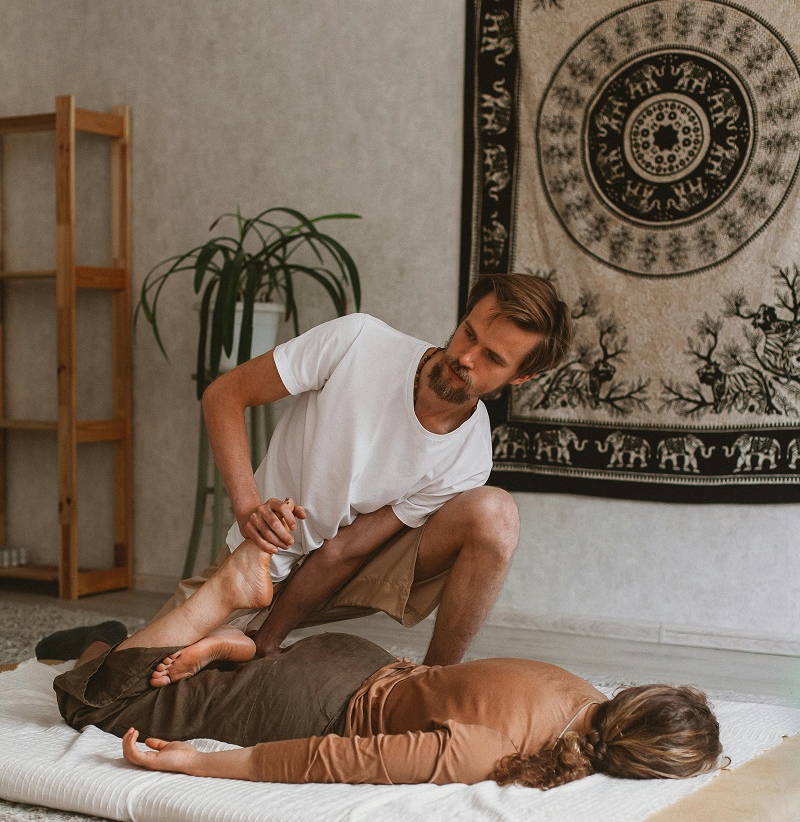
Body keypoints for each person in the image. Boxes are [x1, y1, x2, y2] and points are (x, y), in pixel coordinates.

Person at [51, 538, 725, 789]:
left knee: (127, 673)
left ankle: (201, 647)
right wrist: (200, 765)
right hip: (315, 702)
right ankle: (223, 607)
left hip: (360, 656)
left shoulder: (576, 688)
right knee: (93, 705)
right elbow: (337, 760)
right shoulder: (494, 750)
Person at [154, 273, 573, 666]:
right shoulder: (357, 340)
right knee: (133, 671)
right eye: (469, 332)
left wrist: (269, 642)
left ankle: (434, 683)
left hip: (341, 576)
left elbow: (346, 549)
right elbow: (224, 395)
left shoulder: (470, 457)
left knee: (496, 514)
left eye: (492, 357)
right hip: (258, 559)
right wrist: (249, 509)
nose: (465, 356)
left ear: (521, 376)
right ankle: (189, 639)